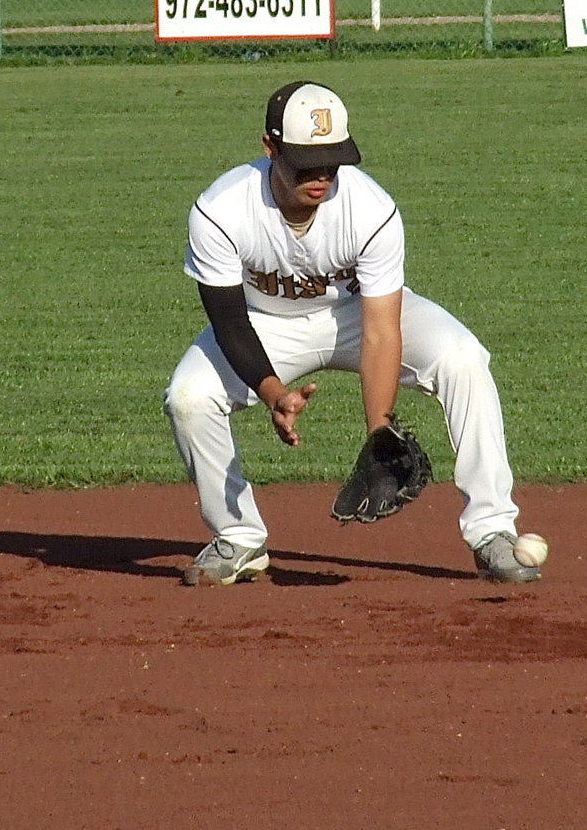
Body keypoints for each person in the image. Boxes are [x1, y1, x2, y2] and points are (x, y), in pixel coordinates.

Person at [163, 80, 541, 586]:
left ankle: (492, 530)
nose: (321, 177)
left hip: (354, 316)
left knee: (463, 357)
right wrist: (273, 393)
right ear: (269, 148)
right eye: (305, 163)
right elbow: (229, 322)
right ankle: (239, 537)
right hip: (261, 325)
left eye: (332, 163)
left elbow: (382, 331)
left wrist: (379, 432)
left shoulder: (370, 209)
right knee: (188, 397)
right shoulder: (221, 209)